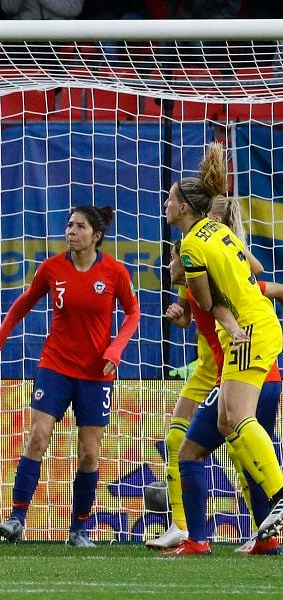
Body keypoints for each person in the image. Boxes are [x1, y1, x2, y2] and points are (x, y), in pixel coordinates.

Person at [0, 205, 141, 547]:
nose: (70, 230)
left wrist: (115, 351)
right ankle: (16, 518)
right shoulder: (52, 268)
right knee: (38, 437)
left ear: (96, 235)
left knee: (89, 453)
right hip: (55, 366)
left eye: (79, 226)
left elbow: (132, 313)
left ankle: (79, 528)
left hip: (96, 374)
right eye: (69, 224)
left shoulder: (114, 273)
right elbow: (24, 303)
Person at [164, 141, 283, 551]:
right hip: (258, 325)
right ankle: (200, 537)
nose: (166, 203)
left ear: (183, 208)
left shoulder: (195, 244)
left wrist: (231, 325)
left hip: (250, 330)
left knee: (236, 419)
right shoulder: (217, 231)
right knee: (222, 428)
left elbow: (207, 302)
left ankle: (280, 497)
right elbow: (253, 269)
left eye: (171, 198)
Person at [147, 196, 263, 550]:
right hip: (205, 366)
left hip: (231, 360)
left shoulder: (219, 256)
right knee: (175, 442)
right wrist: (180, 316)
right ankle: (181, 527)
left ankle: (264, 525)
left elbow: (253, 278)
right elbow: (190, 315)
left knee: (237, 446)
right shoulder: (191, 260)